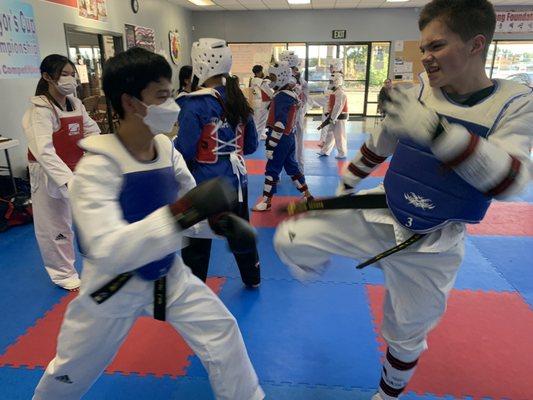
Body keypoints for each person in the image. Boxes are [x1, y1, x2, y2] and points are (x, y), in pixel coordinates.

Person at [273, 0, 532, 399]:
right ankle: (320, 258)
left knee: (406, 334)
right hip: (385, 210)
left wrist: (435, 130)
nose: (426, 57)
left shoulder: (516, 103)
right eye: (423, 47)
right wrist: (344, 186)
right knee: (290, 238)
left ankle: (388, 394)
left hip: (435, 242)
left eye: (437, 46)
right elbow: (380, 144)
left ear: (476, 44)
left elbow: (509, 180)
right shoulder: (420, 92)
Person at [32, 47, 264, 400]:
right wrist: (184, 213)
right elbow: (108, 248)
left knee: (222, 331)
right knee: (70, 371)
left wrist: (219, 225)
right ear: (130, 101)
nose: (171, 105)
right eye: (162, 96)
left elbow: (189, 205)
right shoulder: (96, 168)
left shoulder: (165, 149)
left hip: (168, 275)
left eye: (170, 94)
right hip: (112, 288)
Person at [175, 38, 261, 287]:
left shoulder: (194, 104)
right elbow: (252, 146)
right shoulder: (238, 98)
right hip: (238, 180)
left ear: (199, 64)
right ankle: (252, 277)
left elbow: (186, 150)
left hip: (205, 183)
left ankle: (193, 290)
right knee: (240, 230)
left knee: (197, 237)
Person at [22, 54, 100, 291]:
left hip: (75, 166)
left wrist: (92, 157)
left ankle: (96, 263)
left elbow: (92, 131)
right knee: (55, 224)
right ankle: (63, 273)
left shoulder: (75, 103)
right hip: (47, 172)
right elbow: (44, 151)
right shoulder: (40, 110)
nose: (69, 79)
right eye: (63, 74)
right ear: (47, 77)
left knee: (86, 218)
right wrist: (66, 180)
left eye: (71, 73)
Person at [252, 61, 313, 212]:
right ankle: (307, 195)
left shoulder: (280, 97)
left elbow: (279, 123)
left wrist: (271, 145)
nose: (271, 80)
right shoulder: (291, 94)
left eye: (273, 77)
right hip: (289, 137)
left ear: (281, 77)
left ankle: (266, 201)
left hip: (281, 138)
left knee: (272, 169)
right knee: (292, 168)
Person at [280, 50, 308, 173]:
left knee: (290, 142)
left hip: (293, 112)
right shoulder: (283, 74)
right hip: (288, 112)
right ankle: (295, 169)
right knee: (286, 141)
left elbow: (305, 94)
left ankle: (297, 169)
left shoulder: (298, 77)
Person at [317, 72, 349, 159]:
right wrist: (329, 114)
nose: (330, 83)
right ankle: (325, 151)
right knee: (329, 134)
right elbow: (331, 104)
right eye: (330, 81)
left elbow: (338, 107)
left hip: (340, 117)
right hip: (333, 116)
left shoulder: (341, 93)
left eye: (331, 82)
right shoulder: (334, 92)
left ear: (337, 81)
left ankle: (342, 153)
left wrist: (332, 118)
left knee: (339, 135)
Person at [249, 64, 274, 141]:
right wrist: (274, 96)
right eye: (261, 71)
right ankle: (255, 138)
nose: (262, 73)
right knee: (259, 121)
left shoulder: (253, 80)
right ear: (259, 72)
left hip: (258, 102)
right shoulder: (260, 81)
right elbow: (268, 90)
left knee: (259, 120)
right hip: (261, 103)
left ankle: (260, 135)